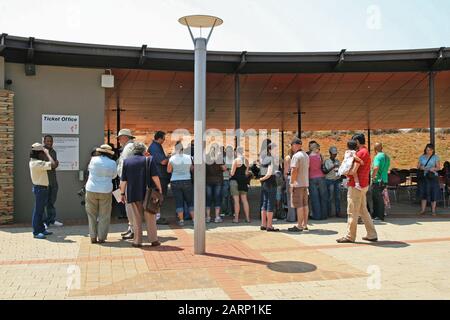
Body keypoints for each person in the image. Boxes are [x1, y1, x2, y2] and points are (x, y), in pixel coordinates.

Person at [337, 134, 378, 243]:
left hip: (356, 186)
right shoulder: (366, 152)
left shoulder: (360, 153)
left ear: (357, 142)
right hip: (363, 185)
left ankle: (350, 236)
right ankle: (372, 234)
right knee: (363, 211)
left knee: (352, 212)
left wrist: (345, 172)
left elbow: (354, 171)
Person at [120, 142, 162, 248]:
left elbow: (123, 181)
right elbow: (155, 176)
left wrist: (122, 193)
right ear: (144, 151)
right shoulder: (149, 159)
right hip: (148, 193)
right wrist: (160, 189)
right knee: (150, 217)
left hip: (133, 193)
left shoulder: (126, 162)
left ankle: (137, 242)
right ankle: (153, 240)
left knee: (136, 218)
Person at [84, 144, 117, 243]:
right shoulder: (112, 162)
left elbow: (89, 170)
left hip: (91, 189)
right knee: (104, 215)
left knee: (91, 214)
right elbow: (114, 176)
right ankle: (102, 237)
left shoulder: (93, 160)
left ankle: (93, 237)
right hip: (105, 190)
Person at [29, 143, 57, 239]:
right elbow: (53, 164)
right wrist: (48, 154)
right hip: (40, 189)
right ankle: (36, 232)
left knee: (40, 211)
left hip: (42, 188)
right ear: (38, 153)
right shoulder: (36, 163)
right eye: (42, 152)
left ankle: (41, 229)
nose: (44, 154)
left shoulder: (37, 161)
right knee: (38, 211)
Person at [167, 141, 194, 226]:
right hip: (187, 180)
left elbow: (168, 170)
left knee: (179, 201)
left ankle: (181, 221)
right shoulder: (189, 157)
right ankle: (194, 220)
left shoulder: (172, 158)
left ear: (175, 149)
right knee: (190, 201)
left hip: (175, 181)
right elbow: (192, 169)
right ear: (183, 148)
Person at [116, 129, 136, 240]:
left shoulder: (128, 148)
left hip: (126, 181)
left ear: (125, 137)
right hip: (127, 180)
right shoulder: (129, 147)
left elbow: (125, 165)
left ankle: (133, 229)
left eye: (119, 138)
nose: (118, 140)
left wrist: (122, 182)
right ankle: (131, 227)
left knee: (129, 206)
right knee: (128, 205)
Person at [148, 131, 170, 224]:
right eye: (164, 139)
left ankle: (156, 216)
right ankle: (156, 217)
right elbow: (163, 162)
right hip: (159, 176)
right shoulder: (155, 147)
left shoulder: (156, 146)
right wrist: (170, 158)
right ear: (159, 138)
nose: (164, 140)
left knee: (158, 197)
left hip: (160, 175)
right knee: (158, 196)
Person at [288, 138, 310, 232]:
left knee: (299, 205)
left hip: (298, 184)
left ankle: (299, 226)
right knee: (305, 204)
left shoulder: (296, 156)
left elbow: (294, 171)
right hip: (305, 183)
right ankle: (305, 224)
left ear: (295, 145)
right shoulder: (306, 155)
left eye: (292, 145)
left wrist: (292, 183)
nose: (291, 147)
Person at [43, 135, 63, 229]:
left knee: (51, 202)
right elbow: (48, 165)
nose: (49, 143)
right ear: (44, 141)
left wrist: (54, 164)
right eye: (47, 141)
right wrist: (54, 164)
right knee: (44, 202)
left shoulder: (53, 152)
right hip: (45, 181)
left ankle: (51, 219)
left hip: (53, 181)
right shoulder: (42, 152)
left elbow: (54, 164)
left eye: (51, 141)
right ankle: (44, 222)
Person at [259, 142, 280, 232]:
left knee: (264, 203)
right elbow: (269, 172)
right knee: (270, 204)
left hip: (264, 185)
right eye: (275, 149)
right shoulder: (272, 159)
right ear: (270, 150)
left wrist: (262, 179)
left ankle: (263, 224)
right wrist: (263, 178)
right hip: (271, 183)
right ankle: (269, 226)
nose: (276, 151)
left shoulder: (264, 158)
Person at [417, 144, 441, 216]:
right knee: (423, 193)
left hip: (433, 177)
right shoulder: (422, 157)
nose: (428, 151)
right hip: (424, 177)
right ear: (425, 149)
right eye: (427, 150)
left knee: (433, 193)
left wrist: (432, 169)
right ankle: (422, 210)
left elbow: (438, 168)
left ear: (433, 150)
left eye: (430, 150)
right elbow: (418, 166)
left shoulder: (435, 157)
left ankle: (433, 211)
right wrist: (423, 168)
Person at [230, 146, 251, 223]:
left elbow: (232, 173)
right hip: (243, 182)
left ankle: (236, 219)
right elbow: (246, 173)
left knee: (236, 201)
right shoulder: (246, 161)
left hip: (235, 181)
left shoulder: (235, 160)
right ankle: (248, 218)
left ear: (236, 152)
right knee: (245, 200)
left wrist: (229, 172)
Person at [308, 142, 329, 220]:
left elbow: (308, 168)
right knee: (323, 197)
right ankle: (324, 215)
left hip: (312, 177)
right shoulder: (320, 156)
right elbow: (322, 165)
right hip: (321, 177)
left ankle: (317, 216)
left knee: (315, 197)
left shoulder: (308, 157)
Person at [371, 143, 390, 221]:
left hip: (377, 180)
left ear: (375, 149)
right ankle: (379, 215)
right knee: (381, 198)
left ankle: (378, 216)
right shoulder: (387, 157)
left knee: (377, 198)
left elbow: (376, 167)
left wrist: (372, 176)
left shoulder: (377, 157)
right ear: (382, 148)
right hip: (384, 179)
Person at [323, 146, 342, 217]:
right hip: (329, 180)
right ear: (330, 153)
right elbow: (325, 171)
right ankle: (329, 213)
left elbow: (340, 170)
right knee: (330, 197)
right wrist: (333, 166)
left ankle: (338, 212)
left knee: (338, 197)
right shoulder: (327, 161)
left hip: (337, 180)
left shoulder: (338, 161)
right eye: (333, 154)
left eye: (335, 154)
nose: (335, 155)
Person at [221, 145, 234, 217]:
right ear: (226, 152)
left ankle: (232, 212)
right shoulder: (223, 159)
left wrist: (227, 169)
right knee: (224, 196)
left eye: (230, 151)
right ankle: (224, 211)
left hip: (233, 179)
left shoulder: (234, 159)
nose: (229, 152)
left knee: (232, 197)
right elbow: (222, 168)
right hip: (225, 179)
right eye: (228, 151)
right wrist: (230, 169)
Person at [284, 150, 297, 222]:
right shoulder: (298, 157)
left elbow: (286, 172)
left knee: (290, 198)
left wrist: (285, 180)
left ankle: (291, 217)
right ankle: (298, 216)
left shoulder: (287, 158)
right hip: (298, 179)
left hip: (290, 179)